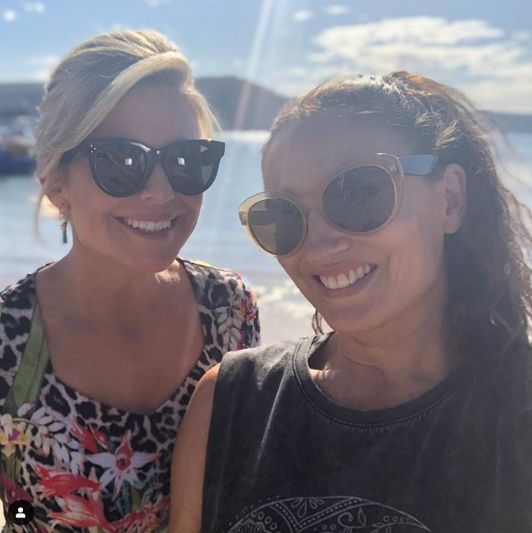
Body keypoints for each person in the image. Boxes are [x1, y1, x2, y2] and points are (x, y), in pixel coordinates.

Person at [169, 72, 532, 533]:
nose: (319, 247)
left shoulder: (516, 413)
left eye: (358, 193)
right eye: (282, 215)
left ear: (450, 200)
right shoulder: (231, 401)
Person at [0, 29, 260, 531]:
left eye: (186, 160)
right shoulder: (8, 338)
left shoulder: (229, 310)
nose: (162, 191)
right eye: (122, 162)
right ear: (57, 185)